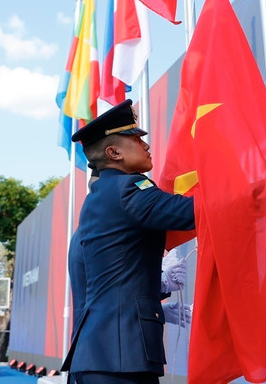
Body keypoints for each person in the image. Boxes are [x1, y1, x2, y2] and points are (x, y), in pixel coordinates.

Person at [61, 100, 196, 384]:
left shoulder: (97, 201)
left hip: (99, 356)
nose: (145, 144)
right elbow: (193, 212)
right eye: (135, 139)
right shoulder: (128, 189)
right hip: (119, 360)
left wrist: (157, 290)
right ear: (114, 152)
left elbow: (104, 280)